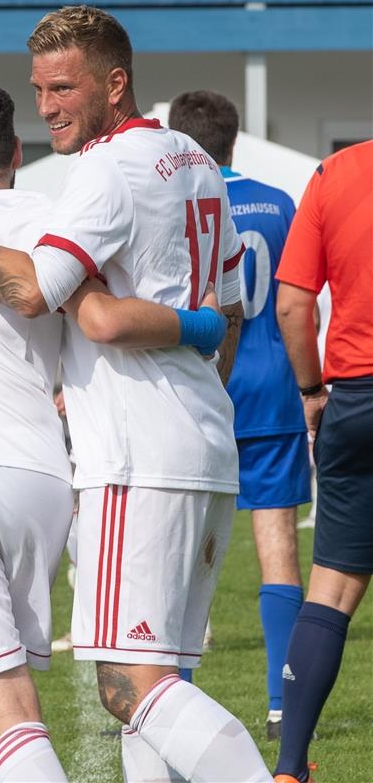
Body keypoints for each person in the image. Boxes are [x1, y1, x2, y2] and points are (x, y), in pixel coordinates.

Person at [0, 7, 274, 783]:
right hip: (203, 439)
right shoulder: (194, 159)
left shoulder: (106, 169)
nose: (47, 108)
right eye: (38, 90)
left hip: (136, 453)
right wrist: (197, 371)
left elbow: (38, 292)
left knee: (125, 684)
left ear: (116, 81)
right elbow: (232, 311)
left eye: (64, 87)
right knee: (164, 680)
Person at [169, 90, 311, 738]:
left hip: (198, 389)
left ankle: (174, 701)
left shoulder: (176, 201)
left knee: (180, 555)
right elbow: (297, 299)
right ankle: (283, 705)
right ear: (234, 140)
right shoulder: (281, 202)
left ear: (180, 143)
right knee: (278, 547)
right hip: (275, 390)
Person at [271, 140, 373, 783]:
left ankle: (288, 769)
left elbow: (292, 305)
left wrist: (312, 391)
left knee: (330, 592)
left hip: (356, 400)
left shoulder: (336, 173)